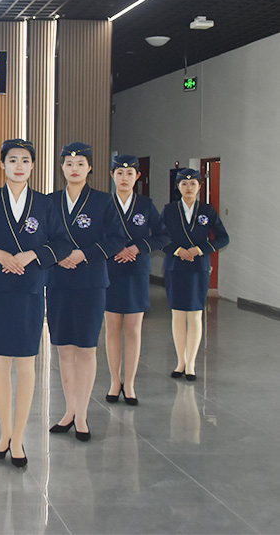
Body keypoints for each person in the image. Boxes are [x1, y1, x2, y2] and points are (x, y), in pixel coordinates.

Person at [0, 139, 68, 468]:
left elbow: (62, 243)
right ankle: (4, 435)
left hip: (29, 289)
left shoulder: (44, 204)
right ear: (2, 164)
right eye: (12, 160)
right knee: (0, 365)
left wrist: (32, 255)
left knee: (27, 366)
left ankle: (19, 439)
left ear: (32, 166)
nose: (18, 166)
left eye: (25, 160)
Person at [47, 142, 125, 442]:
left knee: (86, 348)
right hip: (58, 281)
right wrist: (58, 255)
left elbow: (116, 239)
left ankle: (82, 415)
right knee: (64, 348)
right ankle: (69, 411)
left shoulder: (103, 201)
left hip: (91, 282)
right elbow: (41, 238)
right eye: (69, 164)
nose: (74, 169)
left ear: (90, 168)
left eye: (80, 163)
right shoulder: (50, 201)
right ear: (62, 168)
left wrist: (84, 254)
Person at [104, 155, 170, 406]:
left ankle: (129, 383)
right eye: (120, 173)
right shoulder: (104, 204)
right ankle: (114, 381)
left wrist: (138, 247)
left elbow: (163, 235)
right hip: (110, 271)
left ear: (137, 177)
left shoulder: (145, 205)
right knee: (112, 329)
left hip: (136, 272)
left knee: (133, 330)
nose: (124, 178)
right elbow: (95, 237)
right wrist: (115, 249)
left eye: (129, 173)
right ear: (112, 175)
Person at [162, 167, 229, 381]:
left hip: (198, 268)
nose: (188, 187)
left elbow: (223, 238)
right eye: (184, 184)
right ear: (178, 187)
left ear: (200, 186)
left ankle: (190, 364)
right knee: (178, 315)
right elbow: (159, 237)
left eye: (193, 184)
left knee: (195, 315)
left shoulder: (207, 210)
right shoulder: (169, 210)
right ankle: (180, 362)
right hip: (175, 267)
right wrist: (177, 250)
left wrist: (200, 249)